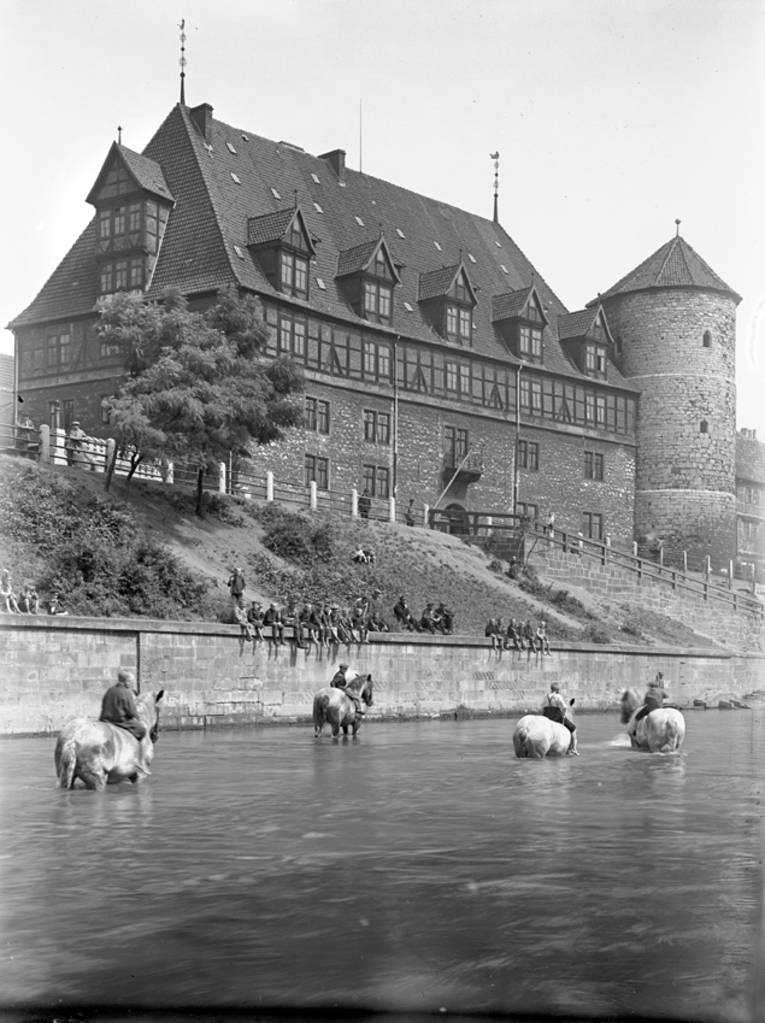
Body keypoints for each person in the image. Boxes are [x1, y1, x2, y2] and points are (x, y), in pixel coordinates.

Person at [99, 670, 151, 773]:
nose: (132, 684)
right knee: (142, 730)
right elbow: (131, 711)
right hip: (120, 722)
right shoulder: (126, 692)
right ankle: (139, 761)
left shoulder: (109, 690)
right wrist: (138, 718)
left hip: (105, 721)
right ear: (125, 681)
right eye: (131, 681)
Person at [541, 681, 578, 755]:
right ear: (558, 690)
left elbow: (542, 706)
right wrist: (563, 715)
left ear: (551, 689)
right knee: (573, 728)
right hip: (556, 717)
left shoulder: (546, 696)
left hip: (546, 718)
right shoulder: (558, 696)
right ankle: (574, 749)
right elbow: (564, 707)